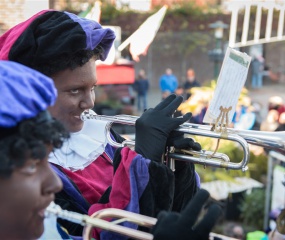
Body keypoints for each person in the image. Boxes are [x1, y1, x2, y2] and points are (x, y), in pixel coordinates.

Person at [0, 10, 203, 239]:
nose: (89, 102)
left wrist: (172, 164)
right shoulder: (18, 159)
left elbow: (163, 214)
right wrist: (144, 160)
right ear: (34, 90)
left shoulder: (97, 136)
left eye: (93, 88)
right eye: (74, 90)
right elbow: (87, 233)